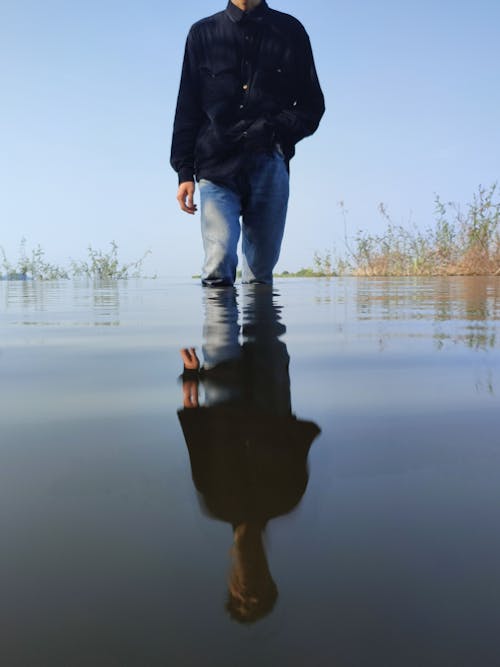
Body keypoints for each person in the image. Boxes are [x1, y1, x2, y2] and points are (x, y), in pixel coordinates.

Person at [177, 286, 321, 622]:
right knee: (259, 289)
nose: (248, 590)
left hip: (220, 378)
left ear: (231, 582)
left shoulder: (216, 503)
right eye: (257, 595)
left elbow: (196, 434)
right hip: (269, 379)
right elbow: (299, 432)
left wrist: (191, 375)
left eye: (240, 596)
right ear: (270, 579)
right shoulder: (286, 499)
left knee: (221, 292)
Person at [170, 0, 325, 286]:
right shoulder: (202, 33)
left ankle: (262, 330)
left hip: (269, 163)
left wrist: (274, 130)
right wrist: (184, 171)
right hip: (215, 165)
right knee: (217, 264)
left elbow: (312, 106)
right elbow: (187, 108)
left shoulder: (291, 31)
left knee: (259, 275)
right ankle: (218, 329)